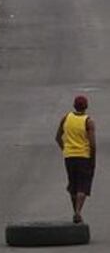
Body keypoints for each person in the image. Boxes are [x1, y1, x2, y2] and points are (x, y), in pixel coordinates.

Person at [56, 95, 96, 223]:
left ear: (74, 105)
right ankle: (78, 212)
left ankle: (75, 212)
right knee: (82, 187)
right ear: (86, 107)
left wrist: (65, 149)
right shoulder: (88, 121)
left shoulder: (66, 118)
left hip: (69, 157)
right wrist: (92, 159)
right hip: (83, 156)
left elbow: (57, 137)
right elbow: (92, 144)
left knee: (73, 185)